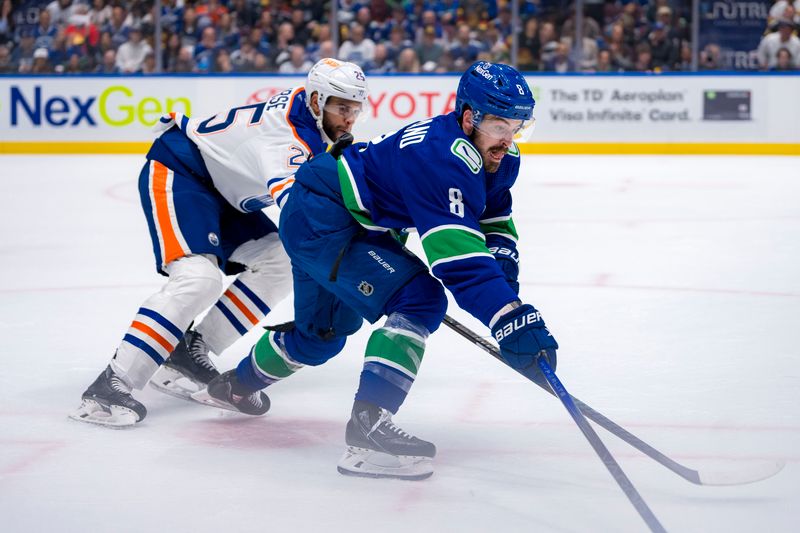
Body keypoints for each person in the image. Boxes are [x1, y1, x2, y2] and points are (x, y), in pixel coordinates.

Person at [199, 61, 559, 480]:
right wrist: (508, 318)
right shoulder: (441, 159)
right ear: (468, 117)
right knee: (419, 298)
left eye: (519, 126)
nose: (509, 139)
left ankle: (233, 386)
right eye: (500, 125)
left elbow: (493, 216)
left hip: (338, 215)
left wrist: (506, 284)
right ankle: (368, 431)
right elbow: (457, 260)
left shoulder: (498, 155)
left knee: (319, 340)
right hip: (325, 218)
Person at [70, 58, 369, 427]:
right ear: (316, 100)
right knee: (199, 278)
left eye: (354, 108)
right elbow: (301, 211)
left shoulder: (307, 112)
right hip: (181, 173)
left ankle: (188, 352)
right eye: (341, 108)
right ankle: (111, 383)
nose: (349, 118)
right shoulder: (288, 140)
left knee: (279, 262)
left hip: (224, 191)